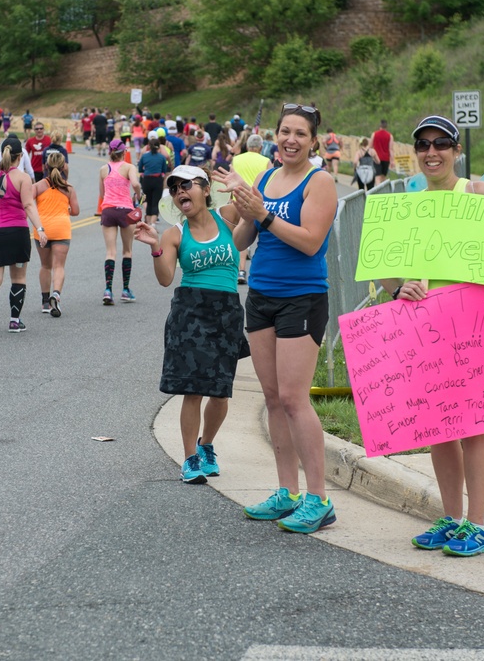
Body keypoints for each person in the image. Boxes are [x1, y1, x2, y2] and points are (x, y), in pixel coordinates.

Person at [380, 115, 484, 557]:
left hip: (474, 324)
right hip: (427, 327)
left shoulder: (477, 194)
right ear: (415, 153)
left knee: (475, 428)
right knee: (439, 429)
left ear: (456, 151)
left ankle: (478, 526)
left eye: (440, 144)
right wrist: (400, 286)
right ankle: (451, 519)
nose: (431, 152)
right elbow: (380, 264)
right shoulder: (408, 203)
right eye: (423, 145)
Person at [215, 102, 339, 534]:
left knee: (293, 398)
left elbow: (309, 242)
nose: (290, 140)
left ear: (313, 141)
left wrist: (264, 211)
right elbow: (243, 237)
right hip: (262, 294)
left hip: (302, 298)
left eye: (300, 134)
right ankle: (286, 491)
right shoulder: (266, 177)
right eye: (284, 132)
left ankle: (319, 499)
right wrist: (247, 208)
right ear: (275, 136)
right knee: (270, 398)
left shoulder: (319, 182)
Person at [133, 166, 243, 483]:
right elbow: (166, 278)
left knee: (220, 393)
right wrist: (155, 246)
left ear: (205, 189)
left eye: (188, 185)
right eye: (175, 188)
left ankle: (206, 444)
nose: (181, 191)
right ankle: (190, 459)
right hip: (190, 312)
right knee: (193, 390)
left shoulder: (227, 216)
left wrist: (242, 186)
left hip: (226, 311)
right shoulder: (174, 234)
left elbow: (256, 207)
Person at [0, 137, 48, 334]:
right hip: (17, 233)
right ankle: (14, 320)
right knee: (19, 277)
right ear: (20, 156)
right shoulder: (23, 178)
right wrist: (40, 229)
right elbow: (29, 205)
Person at [32, 151, 79, 317]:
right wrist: (66, 209)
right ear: (63, 167)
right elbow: (76, 211)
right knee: (59, 266)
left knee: (45, 266)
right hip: (61, 228)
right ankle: (56, 295)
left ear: (45, 166)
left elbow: (28, 206)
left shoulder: (37, 186)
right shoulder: (68, 188)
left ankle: (45, 301)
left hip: (42, 229)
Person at [99, 139, 142, 305]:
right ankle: (125, 289)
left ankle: (108, 290)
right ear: (124, 152)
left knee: (110, 252)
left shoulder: (103, 169)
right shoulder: (129, 167)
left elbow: (102, 193)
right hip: (125, 210)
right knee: (127, 250)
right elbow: (136, 184)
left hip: (108, 209)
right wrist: (138, 195)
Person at [231, 134, 272, 285]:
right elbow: (270, 183)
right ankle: (242, 270)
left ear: (247, 146)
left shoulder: (236, 159)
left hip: (236, 200)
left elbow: (231, 178)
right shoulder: (266, 161)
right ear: (261, 148)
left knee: (236, 236)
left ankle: (234, 270)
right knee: (249, 239)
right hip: (255, 202)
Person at [138, 139, 170, 226]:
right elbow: (164, 170)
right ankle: (153, 223)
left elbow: (140, 168)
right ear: (159, 147)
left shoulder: (144, 156)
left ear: (149, 146)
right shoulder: (162, 157)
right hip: (158, 179)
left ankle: (148, 223)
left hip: (147, 180)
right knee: (156, 201)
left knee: (148, 201)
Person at [371, 119, 394, 185]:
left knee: (377, 176)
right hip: (386, 159)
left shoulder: (374, 134)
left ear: (380, 126)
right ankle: (383, 191)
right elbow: (391, 149)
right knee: (383, 176)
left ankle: (379, 192)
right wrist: (392, 160)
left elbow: (370, 146)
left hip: (376, 158)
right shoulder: (390, 136)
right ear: (386, 127)